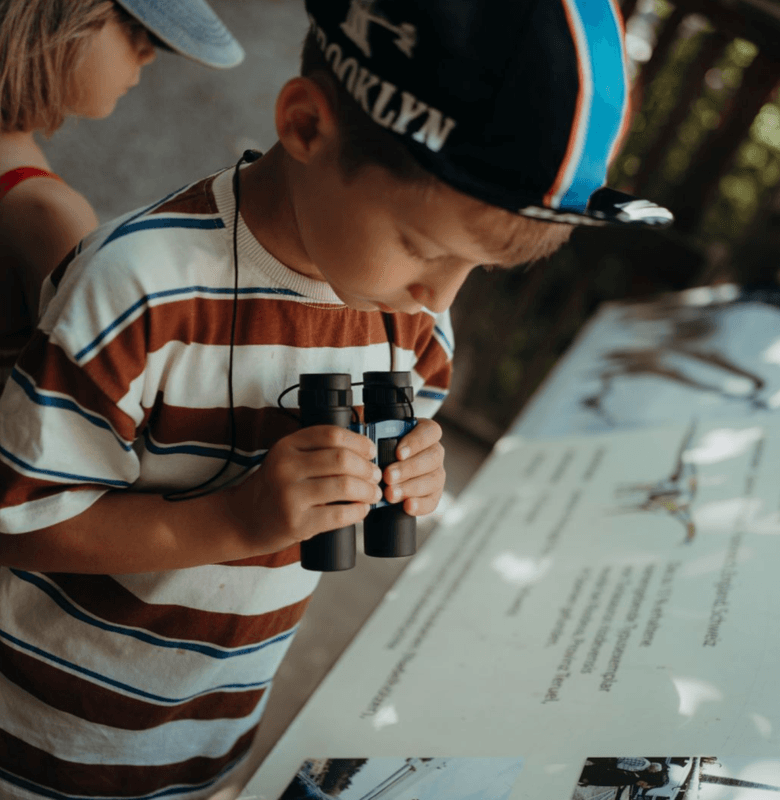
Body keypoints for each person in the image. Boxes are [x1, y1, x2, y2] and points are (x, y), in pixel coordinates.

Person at [0, 0, 673, 797]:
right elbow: (20, 520)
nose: (439, 297)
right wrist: (235, 521)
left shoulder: (414, 322)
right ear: (306, 126)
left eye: (476, 269)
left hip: (210, 744)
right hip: (42, 745)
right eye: (422, 248)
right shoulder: (137, 289)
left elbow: (397, 452)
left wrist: (412, 474)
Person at [0, 0, 244, 390]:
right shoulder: (48, 213)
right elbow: (83, 411)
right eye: (132, 26)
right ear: (54, 14)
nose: (148, 54)